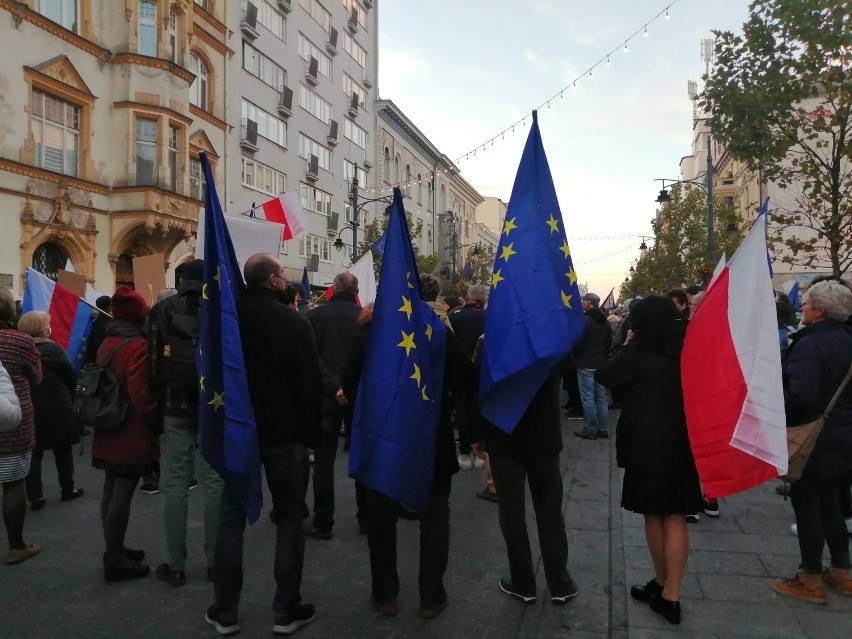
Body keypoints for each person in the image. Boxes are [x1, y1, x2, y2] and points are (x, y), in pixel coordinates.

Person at [206, 254, 322, 637]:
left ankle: (225, 611)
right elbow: (309, 385)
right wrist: (312, 436)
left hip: (239, 432)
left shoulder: (228, 322)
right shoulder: (294, 322)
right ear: (273, 281)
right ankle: (285, 610)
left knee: (230, 522)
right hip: (285, 435)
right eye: (281, 275)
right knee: (289, 520)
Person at [342, 300, 470, 620]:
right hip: (431, 438)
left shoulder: (371, 331)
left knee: (382, 519)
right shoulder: (435, 329)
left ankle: (385, 594)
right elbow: (465, 376)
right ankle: (431, 596)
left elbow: (350, 380)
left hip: (384, 439)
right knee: (435, 518)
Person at [595, 296, 703, 625]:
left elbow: (604, 376)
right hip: (682, 441)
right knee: (675, 515)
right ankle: (671, 591)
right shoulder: (690, 348)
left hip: (646, 443)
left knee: (653, 515)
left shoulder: (639, 353)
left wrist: (625, 345)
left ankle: (661, 582)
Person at [471, 352, 579, 607]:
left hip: (505, 438)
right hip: (544, 437)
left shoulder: (493, 339)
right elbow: (570, 370)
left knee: (512, 513)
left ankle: (523, 582)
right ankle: (559, 582)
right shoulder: (551, 340)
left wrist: (477, 432)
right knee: (550, 512)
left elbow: (479, 387)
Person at [770, 280, 852, 604]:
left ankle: (811, 578)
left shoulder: (811, 344)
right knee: (832, 501)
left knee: (807, 507)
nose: (802, 308)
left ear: (819, 311)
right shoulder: (847, 340)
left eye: (806, 304)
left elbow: (801, 396)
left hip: (815, 438)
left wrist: (776, 411)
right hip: (844, 436)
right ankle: (843, 571)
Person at [150, 260, 222, 587]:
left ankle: (176, 565)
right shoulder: (220, 309)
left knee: (177, 482)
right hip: (212, 406)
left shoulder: (163, 310)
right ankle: (216, 563)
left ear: (181, 281)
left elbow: (153, 361)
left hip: (173, 404)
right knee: (214, 483)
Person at [91, 286, 159, 582]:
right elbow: (140, 391)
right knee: (122, 492)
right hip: (129, 427)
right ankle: (115, 560)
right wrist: (156, 420)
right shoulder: (137, 345)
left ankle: (113, 548)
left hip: (108, 422)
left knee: (110, 488)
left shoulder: (109, 340)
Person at [303, 272, 360, 540]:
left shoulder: (315, 317)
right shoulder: (368, 319)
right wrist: (348, 387)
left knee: (324, 460)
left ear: (333, 289)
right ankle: (367, 517)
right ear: (356, 290)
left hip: (325, 397)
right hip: (359, 396)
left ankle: (323, 521)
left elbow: (310, 357)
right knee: (362, 456)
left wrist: (332, 386)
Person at [17, 311, 84, 510]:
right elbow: (72, 376)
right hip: (58, 405)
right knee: (63, 451)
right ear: (43, 328)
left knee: (34, 452)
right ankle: (67, 489)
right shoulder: (54, 350)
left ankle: (35, 496)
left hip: (30, 405)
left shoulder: (20, 350)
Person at [0, 286, 42, 565]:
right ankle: (16, 546)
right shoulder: (21, 341)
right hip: (13, 421)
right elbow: (37, 377)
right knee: (13, 483)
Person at [448, 284, 487, 470]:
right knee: (482, 409)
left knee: (462, 410)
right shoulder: (490, 317)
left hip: (460, 369)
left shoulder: (455, 316)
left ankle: (464, 452)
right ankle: (481, 451)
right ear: (483, 298)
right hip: (484, 370)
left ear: (468, 296)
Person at [573, 292, 611, 439]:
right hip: (600, 363)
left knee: (588, 398)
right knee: (601, 397)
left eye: (583, 301)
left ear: (588, 303)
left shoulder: (585, 321)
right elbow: (609, 342)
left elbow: (578, 343)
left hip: (586, 363)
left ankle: (591, 429)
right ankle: (603, 428)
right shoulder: (605, 322)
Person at [85, 295, 112, 365]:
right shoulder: (111, 324)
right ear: (109, 307)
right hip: (104, 362)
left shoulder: (93, 322)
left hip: (92, 362)